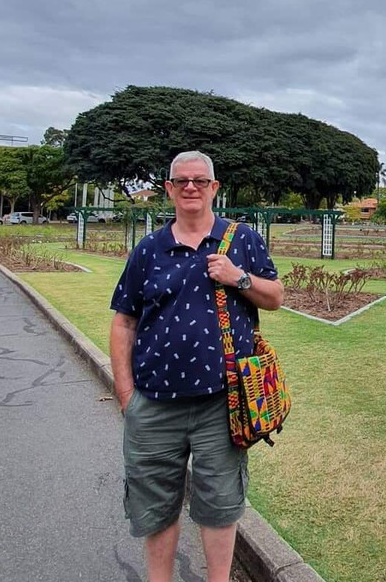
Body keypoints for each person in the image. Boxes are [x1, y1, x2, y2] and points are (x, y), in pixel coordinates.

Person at [109, 151, 284, 582]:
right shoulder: (149, 248)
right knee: (155, 506)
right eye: (182, 180)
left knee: (220, 506)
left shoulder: (242, 240)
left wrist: (237, 277)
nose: (191, 187)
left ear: (214, 188)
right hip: (154, 403)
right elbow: (124, 321)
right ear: (168, 189)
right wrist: (126, 395)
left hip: (221, 405)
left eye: (200, 181)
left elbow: (275, 296)